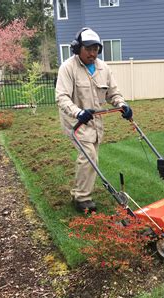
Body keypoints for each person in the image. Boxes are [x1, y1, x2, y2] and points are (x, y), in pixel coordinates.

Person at [55, 27, 132, 213]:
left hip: (96, 122)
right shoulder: (68, 68)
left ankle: (78, 191)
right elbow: (62, 97)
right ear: (77, 49)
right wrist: (78, 112)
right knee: (89, 157)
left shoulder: (103, 68)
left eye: (96, 49)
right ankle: (82, 198)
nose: (92, 53)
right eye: (88, 49)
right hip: (77, 121)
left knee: (91, 157)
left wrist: (122, 104)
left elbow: (113, 93)